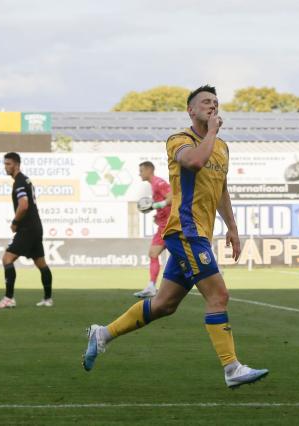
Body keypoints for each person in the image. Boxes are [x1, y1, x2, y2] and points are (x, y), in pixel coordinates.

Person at [82, 85, 268, 388]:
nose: (212, 107)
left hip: (201, 234)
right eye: (205, 103)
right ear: (190, 111)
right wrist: (210, 133)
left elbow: (221, 189)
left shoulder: (221, 147)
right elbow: (193, 162)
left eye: (216, 103)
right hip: (185, 230)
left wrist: (232, 227)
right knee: (219, 296)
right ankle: (232, 368)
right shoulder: (179, 140)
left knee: (163, 305)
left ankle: (102, 333)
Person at [0, 152, 53, 309]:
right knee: (41, 264)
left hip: (27, 229)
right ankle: (48, 299)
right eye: (5, 164)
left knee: (7, 259)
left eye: (9, 164)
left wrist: (15, 223)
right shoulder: (25, 179)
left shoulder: (19, 182)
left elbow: (24, 204)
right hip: (36, 227)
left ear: (17, 165)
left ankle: (9, 298)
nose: (6, 167)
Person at [133, 161, 172, 299]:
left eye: (141, 170)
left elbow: (172, 197)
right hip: (163, 224)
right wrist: (158, 213)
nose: (140, 174)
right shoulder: (154, 184)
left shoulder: (158, 182)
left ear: (149, 170)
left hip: (169, 226)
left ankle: (213, 269)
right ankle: (151, 286)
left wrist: (154, 206)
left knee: (183, 255)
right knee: (153, 253)